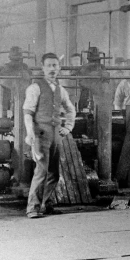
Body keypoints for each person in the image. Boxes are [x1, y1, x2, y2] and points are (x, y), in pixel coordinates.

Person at [23, 53, 76, 219]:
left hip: (56, 135)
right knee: (41, 172)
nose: (53, 69)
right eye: (49, 65)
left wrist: (68, 127)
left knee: (54, 173)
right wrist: (31, 134)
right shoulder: (35, 88)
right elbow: (27, 113)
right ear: (43, 67)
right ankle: (32, 208)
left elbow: (70, 109)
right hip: (41, 134)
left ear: (59, 67)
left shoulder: (61, 90)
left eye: (55, 65)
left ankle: (46, 205)